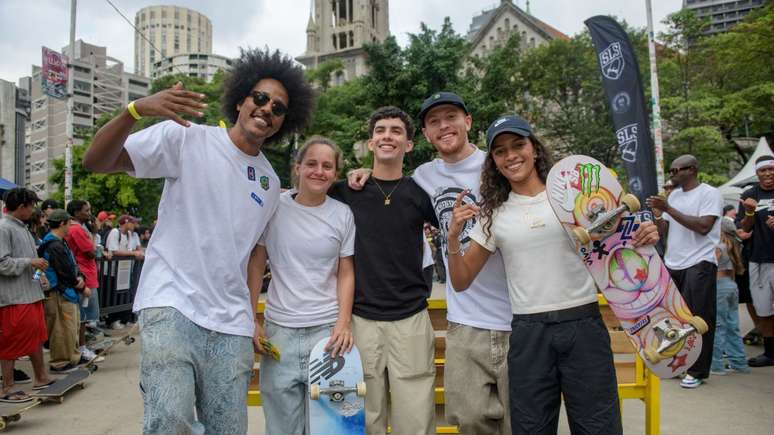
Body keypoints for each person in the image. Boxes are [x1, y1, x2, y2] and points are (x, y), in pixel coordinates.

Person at [82, 48, 313, 435]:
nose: (267, 109)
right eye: (260, 98)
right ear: (240, 100)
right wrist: (134, 110)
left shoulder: (270, 183)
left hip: (230, 323)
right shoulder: (186, 138)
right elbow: (98, 161)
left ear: (282, 123)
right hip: (172, 303)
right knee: (169, 420)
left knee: (227, 429)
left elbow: (257, 254)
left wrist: (251, 315)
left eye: (278, 108)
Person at [447, 115, 659, 435]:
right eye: (501, 151)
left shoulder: (574, 197)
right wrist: (452, 239)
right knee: (531, 428)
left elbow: (620, 246)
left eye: (518, 145)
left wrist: (644, 235)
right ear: (493, 161)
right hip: (528, 333)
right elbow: (461, 281)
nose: (511, 155)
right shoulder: (494, 214)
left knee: (598, 426)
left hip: (583, 324)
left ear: (534, 149)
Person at [347, 93, 512, 435]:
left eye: (451, 117)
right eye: (434, 122)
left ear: (468, 122)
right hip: (455, 318)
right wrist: (360, 172)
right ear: (424, 136)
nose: (443, 126)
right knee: (369, 417)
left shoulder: (499, 166)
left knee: (515, 419)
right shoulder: (422, 177)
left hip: (514, 312)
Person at [330, 106, 439, 435]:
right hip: (360, 321)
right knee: (364, 419)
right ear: (371, 142)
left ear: (408, 144)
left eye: (396, 131)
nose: (387, 135)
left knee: (416, 420)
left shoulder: (421, 194)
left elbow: (456, 232)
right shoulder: (346, 192)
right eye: (380, 130)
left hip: (411, 318)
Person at [251, 137, 355, 435]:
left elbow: (346, 271)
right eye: (311, 164)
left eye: (327, 166)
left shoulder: (342, 214)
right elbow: (257, 264)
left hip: (327, 335)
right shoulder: (273, 208)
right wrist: (252, 319)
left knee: (330, 429)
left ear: (335, 174)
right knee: (282, 428)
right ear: (297, 168)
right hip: (279, 334)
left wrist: (343, 322)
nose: (318, 171)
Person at [646, 154, 723, 388]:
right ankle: (680, 364)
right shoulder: (675, 196)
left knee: (698, 317)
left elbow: (703, 226)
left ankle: (698, 371)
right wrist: (659, 215)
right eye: (671, 171)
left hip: (700, 261)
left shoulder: (709, 193)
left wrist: (668, 207)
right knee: (675, 318)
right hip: (674, 262)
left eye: (676, 170)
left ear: (692, 169)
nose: (673, 175)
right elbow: (664, 231)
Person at [0, 188, 55, 403]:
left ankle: (41, 376)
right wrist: (30, 264)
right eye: (31, 205)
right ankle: (7, 386)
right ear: (22, 207)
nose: (33, 209)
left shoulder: (22, 228)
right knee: (11, 340)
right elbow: (2, 263)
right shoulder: (4, 228)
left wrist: (39, 277)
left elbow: (33, 259)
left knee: (35, 336)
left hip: (30, 294)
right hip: (13, 297)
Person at [38, 209, 87, 373]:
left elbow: (70, 267)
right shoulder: (54, 244)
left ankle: (71, 358)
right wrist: (78, 283)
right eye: (68, 223)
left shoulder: (58, 242)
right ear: (61, 224)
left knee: (69, 328)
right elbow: (63, 270)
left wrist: (79, 277)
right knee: (60, 329)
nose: (70, 227)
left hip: (65, 291)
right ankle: (60, 363)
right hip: (59, 292)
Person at [737, 155, 774, 367]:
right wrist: (750, 211)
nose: (768, 174)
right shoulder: (750, 194)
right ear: (757, 173)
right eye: (763, 170)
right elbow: (745, 227)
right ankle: (770, 353)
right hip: (758, 259)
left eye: (771, 169)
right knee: (763, 309)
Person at [710, 219, 751, 375]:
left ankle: (716, 364)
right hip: (732, 286)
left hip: (719, 286)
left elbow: (711, 265)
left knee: (718, 326)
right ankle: (739, 362)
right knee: (733, 325)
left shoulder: (719, 247)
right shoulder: (734, 246)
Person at [64, 200, 103, 362]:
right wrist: (94, 234)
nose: (89, 213)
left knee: (84, 316)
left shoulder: (76, 228)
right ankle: (81, 348)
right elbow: (91, 252)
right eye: (86, 210)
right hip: (84, 275)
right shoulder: (77, 229)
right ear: (76, 212)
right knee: (83, 316)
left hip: (85, 274)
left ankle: (82, 346)